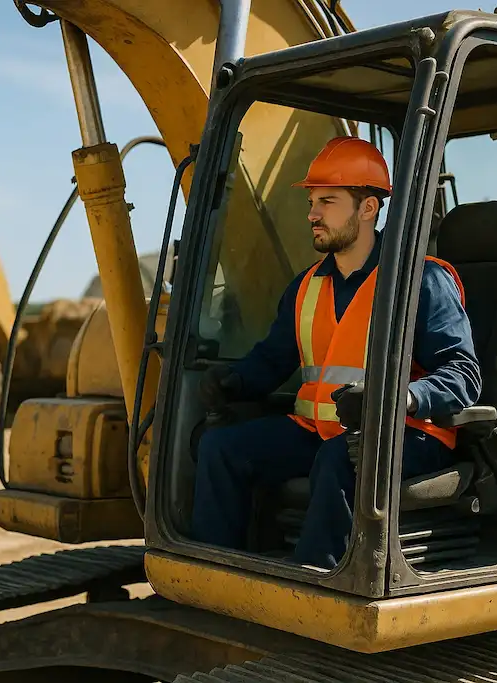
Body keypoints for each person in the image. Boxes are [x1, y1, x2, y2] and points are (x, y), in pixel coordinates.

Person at [189, 136, 482, 569]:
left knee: (340, 457)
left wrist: (399, 396)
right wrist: (234, 381)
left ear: (368, 208)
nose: (312, 214)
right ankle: (212, 573)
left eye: (327, 201)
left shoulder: (421, 281)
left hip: (405, 435)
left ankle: (319, 586)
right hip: (320, 430)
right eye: (312, 201)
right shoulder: (306, 286)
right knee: (221, 447)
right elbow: (274, 359)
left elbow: (463, 375)